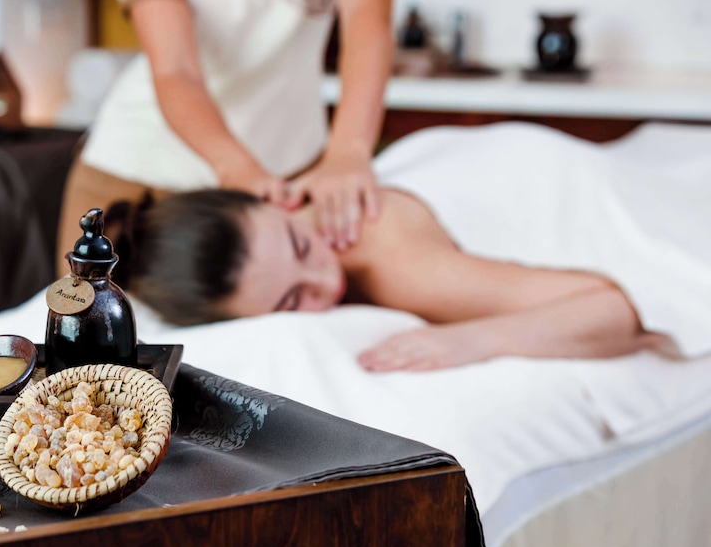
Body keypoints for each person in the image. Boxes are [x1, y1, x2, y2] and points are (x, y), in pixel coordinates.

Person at [117, 122, 711, 372]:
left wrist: (468, 340)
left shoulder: (400, 267)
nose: (326, 279)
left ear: (270, 196)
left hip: (593, 189)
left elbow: (618, 309)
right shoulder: (305, 198)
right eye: (293, 301)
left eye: (301, 246)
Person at [56, 0, 399, 278]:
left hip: (291, 175)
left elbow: (368, 17)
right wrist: (237, 168)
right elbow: (176, 70)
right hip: (140, 176)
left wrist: (349, 151)